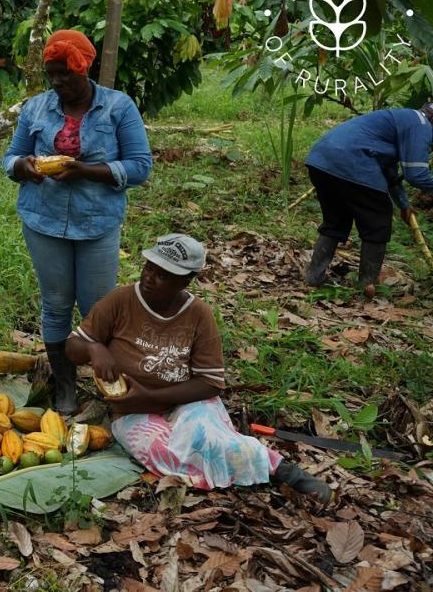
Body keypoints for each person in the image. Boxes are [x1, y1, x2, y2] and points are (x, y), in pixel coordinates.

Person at [65, 234, 331, 501]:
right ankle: (225, 478)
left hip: (185, 401)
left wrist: (153, 397)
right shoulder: (120, 301)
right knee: (161, 450)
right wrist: (93, 348)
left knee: (214, 440)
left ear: (185, 281)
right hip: (131, 409)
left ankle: (282, 469)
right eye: (149, 268)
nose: (149, 277)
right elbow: (72, 346)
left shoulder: (198, 314)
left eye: (163, 275)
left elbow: (209, 382)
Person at [2, 29, 153, 415]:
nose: (57, 82)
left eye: (64, 73)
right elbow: (10, 159)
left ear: (83, 68)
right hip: (43, 220)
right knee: (54, 304)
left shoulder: (118, 108)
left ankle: (110, 387)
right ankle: (65, 387)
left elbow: (140, 166)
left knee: (98, 308)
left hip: (97, 221)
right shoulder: (36, 108)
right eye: (51, 74)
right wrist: (25, 166)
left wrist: (87, 171)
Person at [304, 104, 433, 295]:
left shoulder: (405, 119)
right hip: (352, 161)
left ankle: (313, 278)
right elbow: (416, 174)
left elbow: (389, 172)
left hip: (321, 160)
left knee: (336, 220)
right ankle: (367, 287)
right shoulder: (421, 125)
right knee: (377, 220)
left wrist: (404, 205)